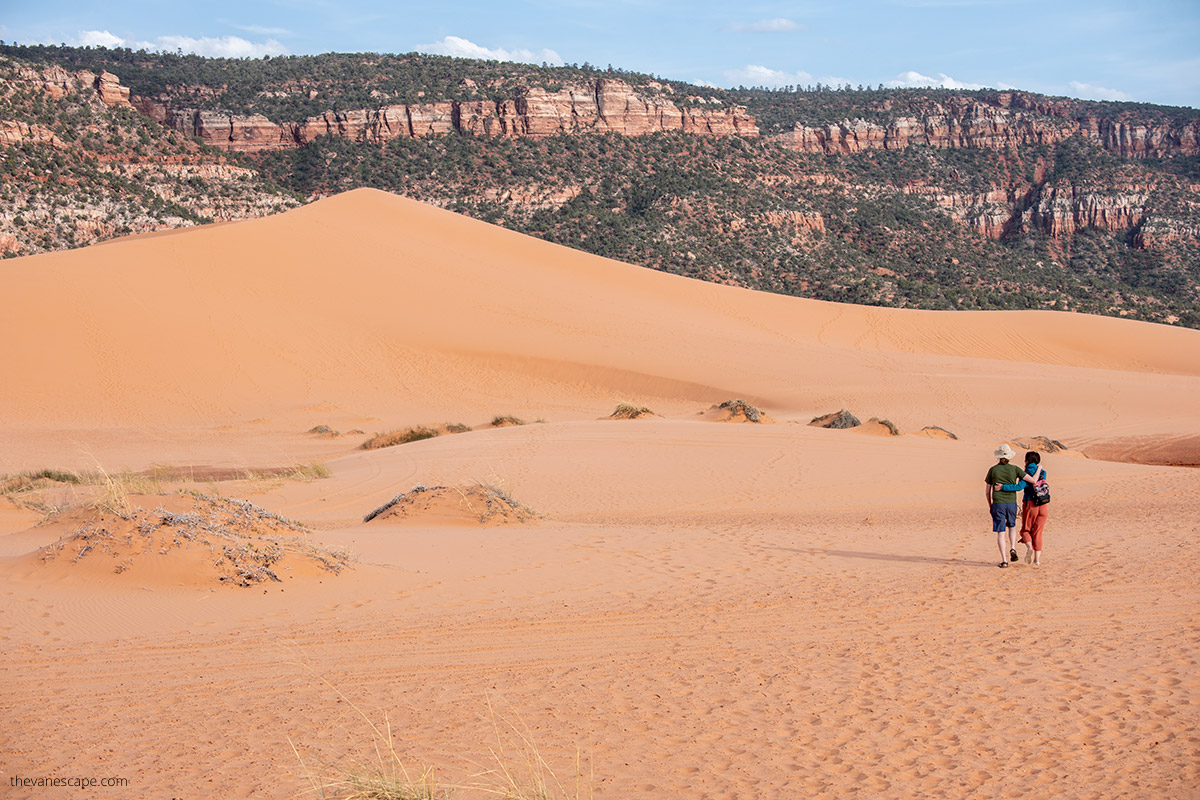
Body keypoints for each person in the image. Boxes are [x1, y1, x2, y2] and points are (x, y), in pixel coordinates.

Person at [995, 451, 1049, 567]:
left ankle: (1029, 547)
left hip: (1031, 504)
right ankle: (1037, 561)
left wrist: (1003, 487)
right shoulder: (1043, 472)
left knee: (1025, 530)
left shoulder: (1026, 473)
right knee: (1038, 532)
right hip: (1044, 504)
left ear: (1027, 460)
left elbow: (1019, 487)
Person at [985, 444, 1025, 568]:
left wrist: (990, 505)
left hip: (998, 503)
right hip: (1011, 503)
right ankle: (1012, 548)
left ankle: (1004, 560)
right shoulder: (1015, 469)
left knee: (1000, 532)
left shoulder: (993, 470)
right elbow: (1028, 479)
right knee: (1012, 526)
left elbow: (987, 491)